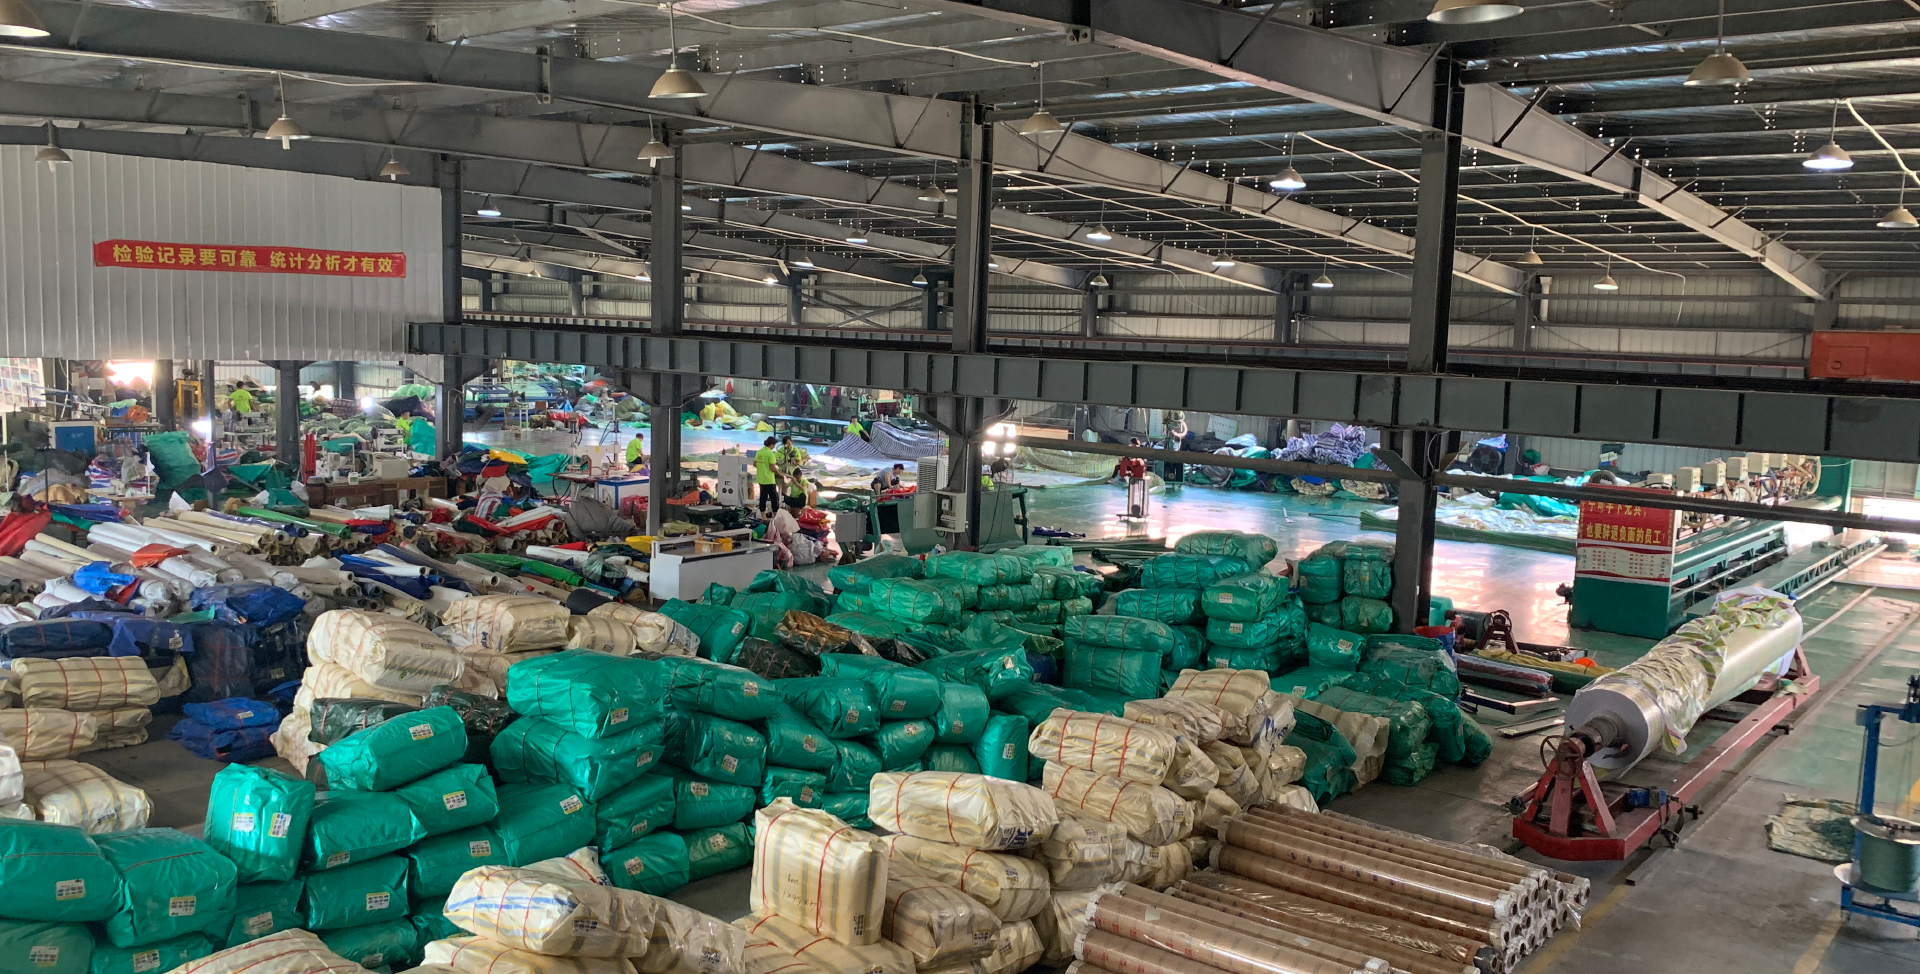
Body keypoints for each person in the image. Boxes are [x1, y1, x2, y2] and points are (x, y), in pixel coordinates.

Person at [753, 436, 779, 516]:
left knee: (763, 498)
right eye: (774, 445)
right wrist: (780, 473)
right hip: (769, 479)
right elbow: (772, 468)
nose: (774, 447)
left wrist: (762, 468)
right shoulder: (770, 454)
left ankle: (763, 516)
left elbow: (754, 464)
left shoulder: (759, 452)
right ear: (771, 445)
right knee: (774, 498)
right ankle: (775, 515)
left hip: (761, 479)